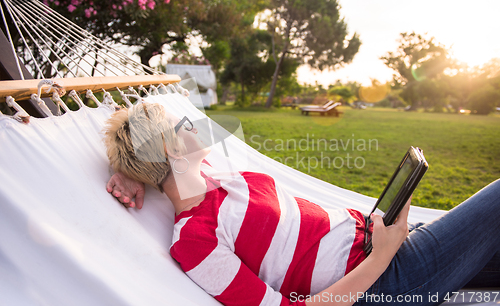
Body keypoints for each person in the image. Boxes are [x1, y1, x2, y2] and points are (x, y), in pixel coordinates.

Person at [103, 102, 500, 306]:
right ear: (173, 148)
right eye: (184, 124)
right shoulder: (195, 241)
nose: (196, 125)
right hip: (381, 281)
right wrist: (381, 258)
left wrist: (128, 172)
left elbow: (145, 148)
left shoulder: (215, 177)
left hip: (382, 241)